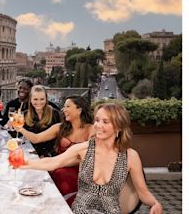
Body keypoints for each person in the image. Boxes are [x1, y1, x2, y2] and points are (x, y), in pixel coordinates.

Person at [17, 103, 163, 214]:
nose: (98, 126)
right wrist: (25, 163)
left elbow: (143, 192)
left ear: (118, 128)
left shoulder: (131, 156)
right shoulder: (84, 149)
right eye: (97, 120)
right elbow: (54, 162)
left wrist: (155, 203)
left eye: (105, 122)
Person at [14, 95, 94, 206]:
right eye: (64, 107)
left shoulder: (91, 129)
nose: (64, 110)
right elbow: (36, 138)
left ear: (79, 109)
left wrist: (55, 163)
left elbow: (91, 155)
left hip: (78, 172)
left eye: (68, 106)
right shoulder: (59, 127)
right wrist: (20, 129)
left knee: (57, 174)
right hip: (57, 165)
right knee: (39, 175)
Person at [23, 85, 61, 158]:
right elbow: (17, 135)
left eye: (42, 99)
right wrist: (10, 125)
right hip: (31, 154)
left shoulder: (55, 114)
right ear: (30, 100)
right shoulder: (24, 115)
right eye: (35, 99)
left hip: (52, 155)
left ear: (46, 99)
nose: (39, 102)